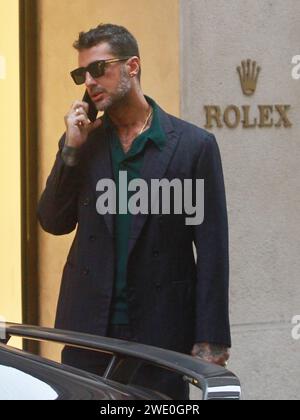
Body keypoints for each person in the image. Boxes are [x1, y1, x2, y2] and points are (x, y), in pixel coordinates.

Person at [38, 23, 230, 400]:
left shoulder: (194, 146)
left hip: (161, 332)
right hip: (88, 331)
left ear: (132, 67)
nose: (90, 82)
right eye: (82, 73)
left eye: (99, 68)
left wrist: (211, 339)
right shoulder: (83, 141)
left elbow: (212, 250)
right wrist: (71, 150)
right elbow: (53, 221)